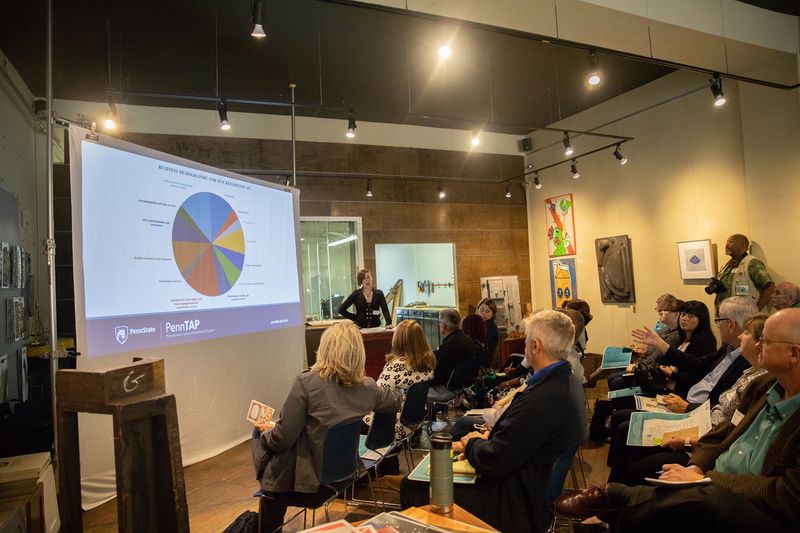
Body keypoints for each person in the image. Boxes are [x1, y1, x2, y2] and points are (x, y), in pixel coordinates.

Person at [556, 308, 800, 533]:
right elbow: (724, 432)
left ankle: (616, 506)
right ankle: (616, 499)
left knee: (704, 499)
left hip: (751, 505)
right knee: (671, 475)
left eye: (766, 341)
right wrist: (695, 467)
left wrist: (705, 479)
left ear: (794, 353)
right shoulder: (762, 385)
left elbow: (785, 495)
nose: (759, 345)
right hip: (712, 471)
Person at [401, 310, 587, 532]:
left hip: (512, 503)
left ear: (535, 346)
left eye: (527, 341)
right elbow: (519, 440)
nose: (524, 346)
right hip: (528, 487)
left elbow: (494, 460)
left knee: (414, 486)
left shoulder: (541, 400)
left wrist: (472, 443)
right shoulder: (567, 382)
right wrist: (488, 437)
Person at [251, 321, 401, 532]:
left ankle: (267, 522)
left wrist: (266, 432)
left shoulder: (305, 384)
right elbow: (394, 400)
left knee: (259, 436)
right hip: (345, 477)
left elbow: (282, 439)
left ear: (324, 349)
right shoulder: (367, 387)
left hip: (310, 486)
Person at [364, 319, 435, 441]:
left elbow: (376, 396)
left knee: (349, 419)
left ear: (398, 340)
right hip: (414, 423)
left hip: (391, 425)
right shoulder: (427, 365)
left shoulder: (396, 367)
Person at [631, 300, 717, 397]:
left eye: (691, 316)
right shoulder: (681, 338)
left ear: (702, 320)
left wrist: (672, 374)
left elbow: (699, 375)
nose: (684, 319)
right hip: (666, 388)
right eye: (683, 314)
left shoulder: (705, 342)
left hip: (682, 395)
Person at [713, 233, 774, 311]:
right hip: (725, 314)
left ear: (743, 245)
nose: (727, 245)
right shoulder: (727, 265)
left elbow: (770, 287)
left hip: (744, 315)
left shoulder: (752, 263)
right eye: (727, 242)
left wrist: (756, 309)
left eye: (731, 242)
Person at [431, 308, 476, 386]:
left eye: (439, 322)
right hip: (465, 385)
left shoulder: (450, 345)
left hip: (448, 388)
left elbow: (437, 376)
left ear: (443, 326)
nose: (439, 324)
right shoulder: (468, 340)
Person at [476, 298, 499, 366]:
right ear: (477, 310)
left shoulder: (490, 326)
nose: (483, 313)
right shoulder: (477, 324)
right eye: (482, 310)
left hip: (482, 365)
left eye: (487, 311)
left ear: (493, 314)